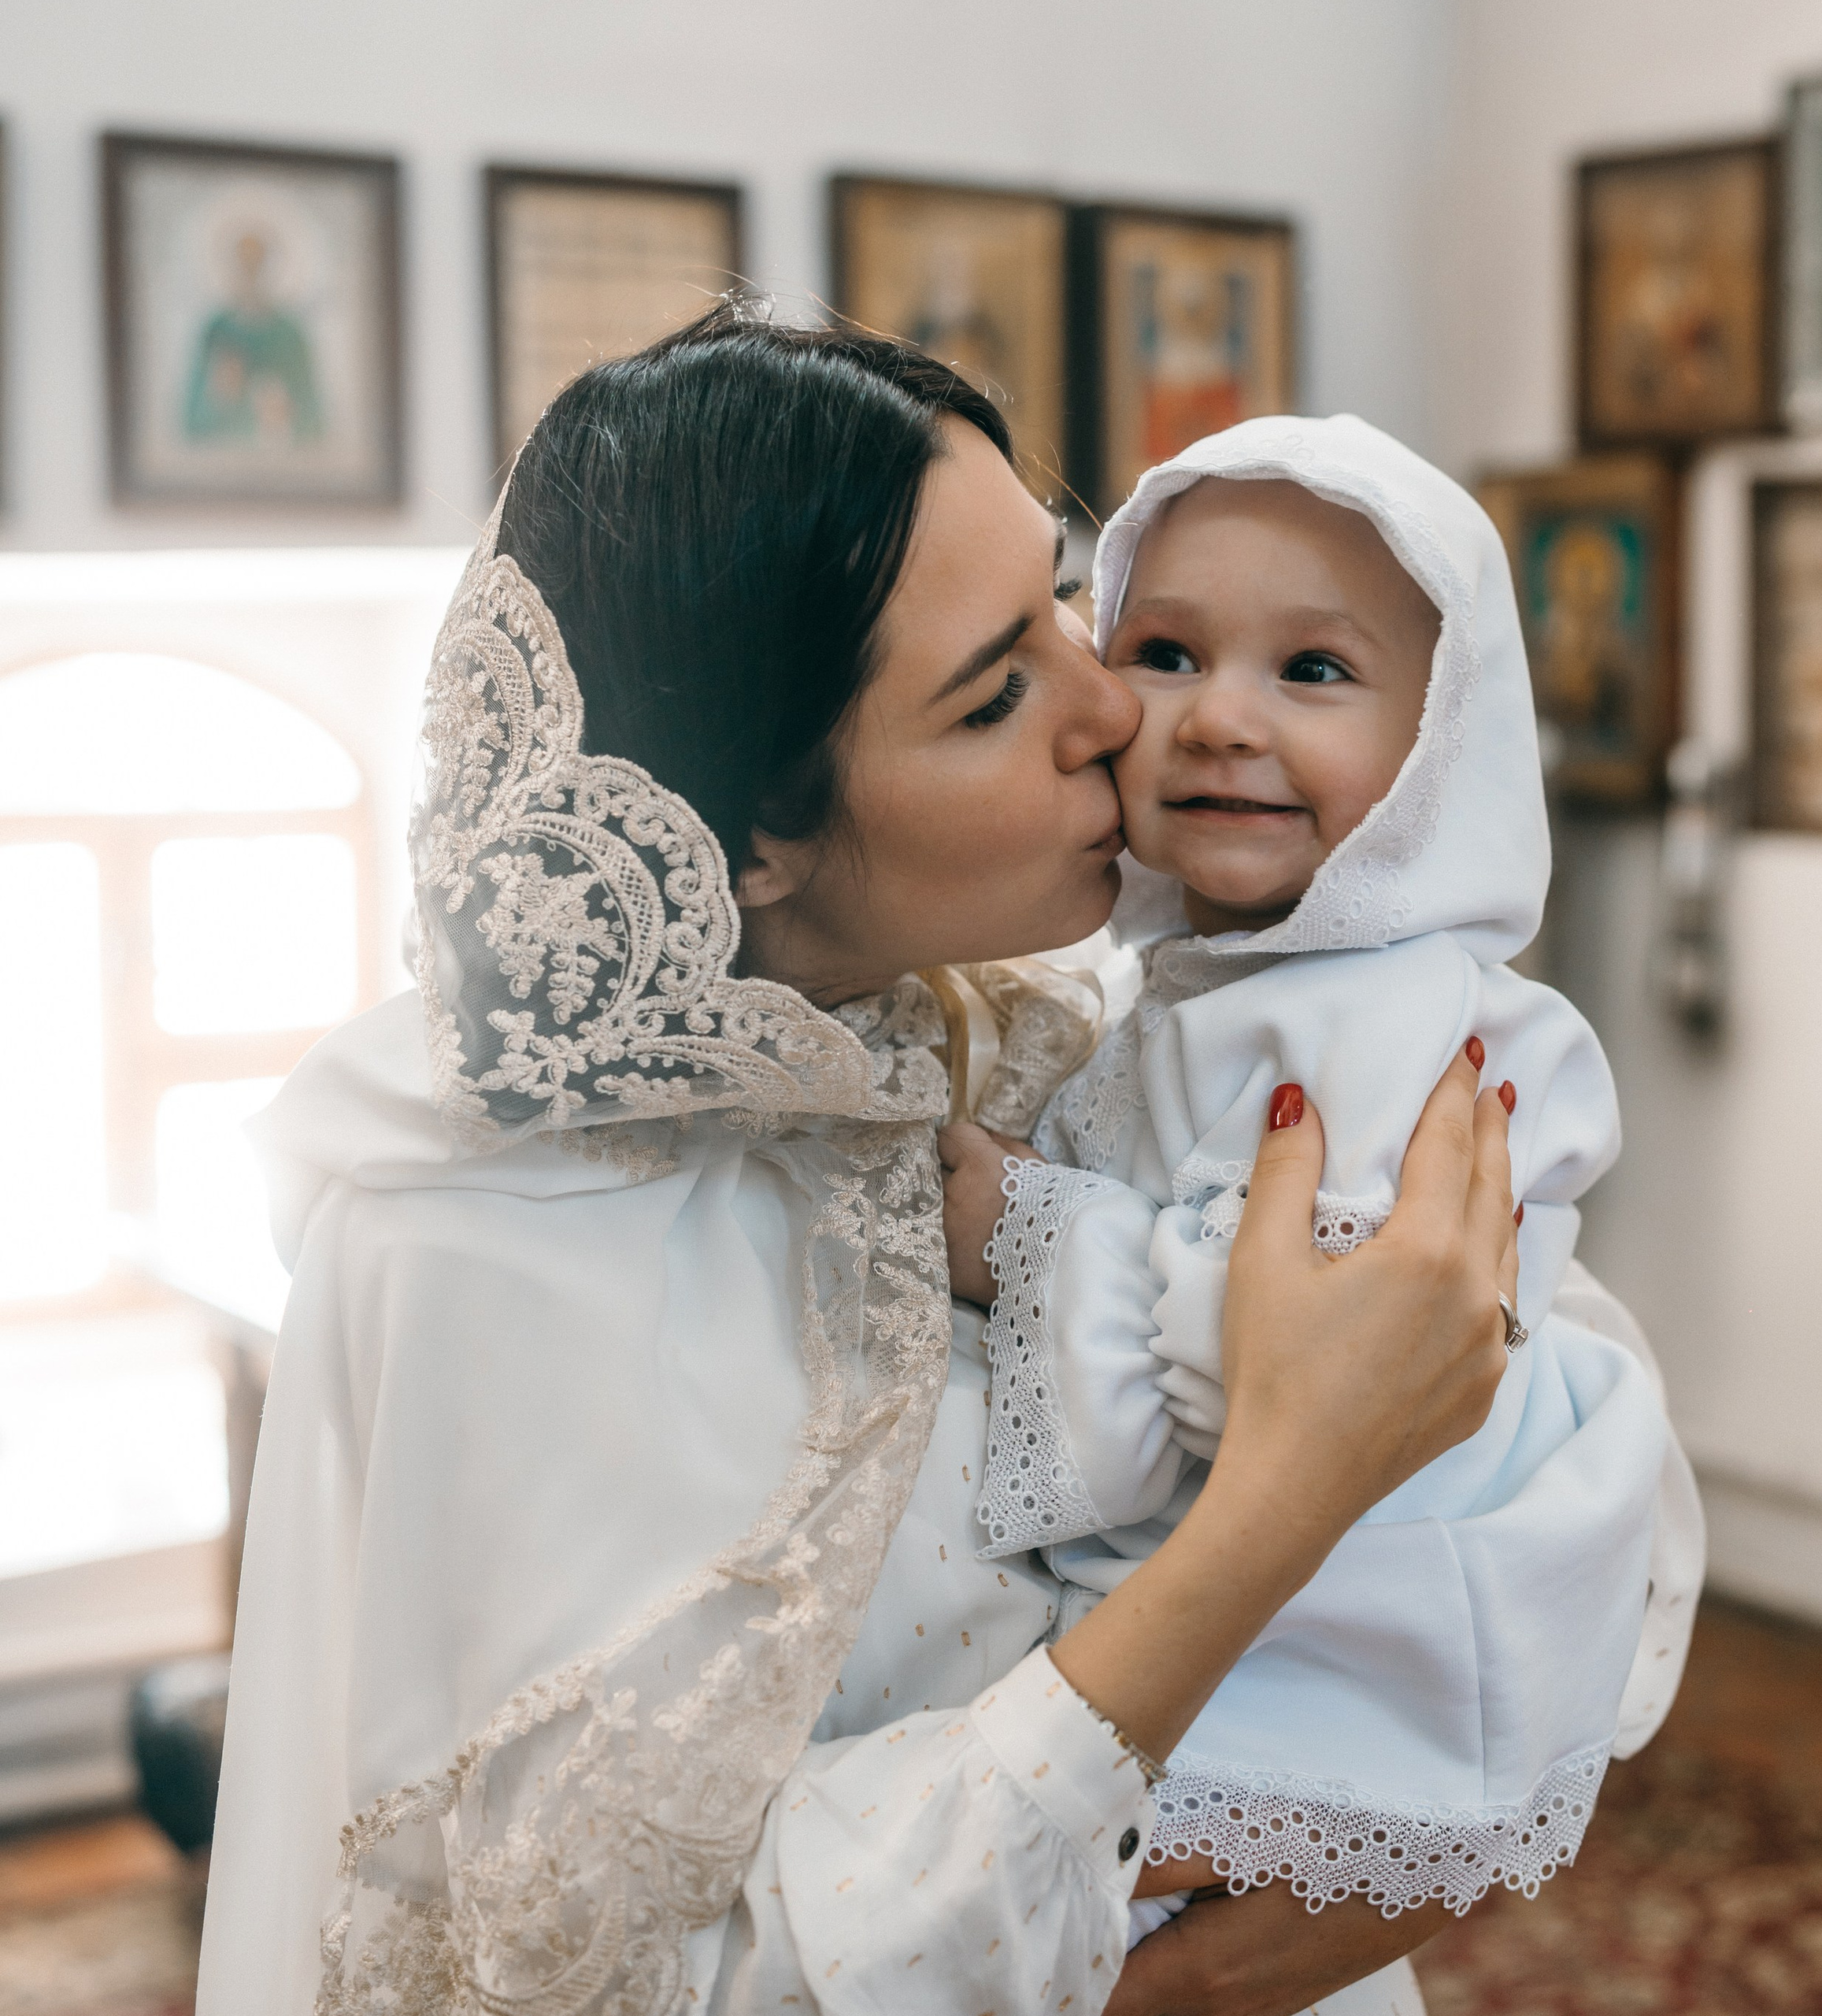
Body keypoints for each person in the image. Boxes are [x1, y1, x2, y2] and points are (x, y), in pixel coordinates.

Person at [197, 301, 1530, 2016]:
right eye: (992, 694)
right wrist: (1284, 1497)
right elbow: (628, 1968)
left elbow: (1528, 1414)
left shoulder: (1036, 1021)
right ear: (750, 837)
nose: (1112, 710)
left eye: (1063, 600)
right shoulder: (480, 1250)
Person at [941, 415, 1704, 1952]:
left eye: (1311, 669)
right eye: (1160, 649)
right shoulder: (1188, 985)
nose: (1218, 718)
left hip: (1334, 1656)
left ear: (1442, 739)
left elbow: (1313, 1379)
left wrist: (1017, 1222)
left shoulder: (1402, 1024)